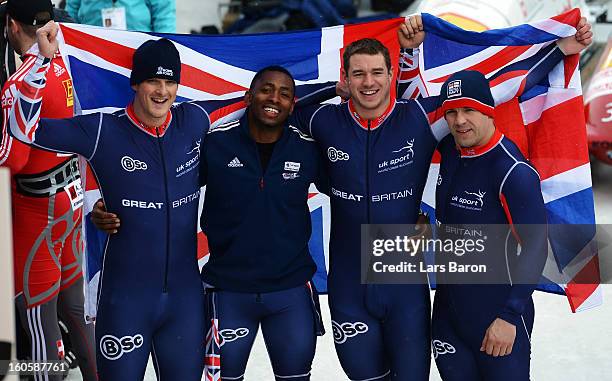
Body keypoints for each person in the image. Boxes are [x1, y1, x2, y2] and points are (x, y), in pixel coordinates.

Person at [285, 14, 593, 380]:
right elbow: (278, 104)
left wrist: (559, 50)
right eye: (358, 75)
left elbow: (495, 88)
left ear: (390, 76)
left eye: (377, 73)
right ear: (346, 79)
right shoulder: (324, 120)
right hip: (349, 281)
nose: (369, 82)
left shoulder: (420, 118)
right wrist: (329, 91)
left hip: (402, 278)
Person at [7, 21, 220, 381]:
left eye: (170, 82)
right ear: (136, 82)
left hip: (185, 300)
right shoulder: (103, 130)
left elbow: (262, 106)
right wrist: (40, 61)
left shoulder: (194, 120)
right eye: (153, 80)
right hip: (125, 302)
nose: (162, 91)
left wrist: (340, 93)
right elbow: (22, 130)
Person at [199, 66, 328, 381]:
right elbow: (167, 190)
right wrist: (110, 207)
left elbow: (356, 188)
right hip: (228, 291)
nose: (275, 98)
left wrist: (412, 213)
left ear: (293, 105)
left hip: (291, 292)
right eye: (266, 89)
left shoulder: (307, 148)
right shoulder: (214, 144)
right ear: (248, 96)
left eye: (285, 93)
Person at [0, 1, 96, 379]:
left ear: (11, 26)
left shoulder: (21, 80)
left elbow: (14, 162)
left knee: (41, 326)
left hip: (37, 210)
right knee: (75, 311)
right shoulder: (68, 60)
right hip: (70, 200)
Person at [432, 70, 547, 380]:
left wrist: (510, 316)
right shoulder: (451, 153)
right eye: (452, 112)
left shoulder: (512, 171)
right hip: (448, 315)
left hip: (498, 317)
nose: (459, 121)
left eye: (469, 109)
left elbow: (537, 246)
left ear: (488, 110)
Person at [66, 0, 176, 32]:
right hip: (92, 47)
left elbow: (164, 16)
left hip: (139, 46)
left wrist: (165, 45)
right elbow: (70, 12)